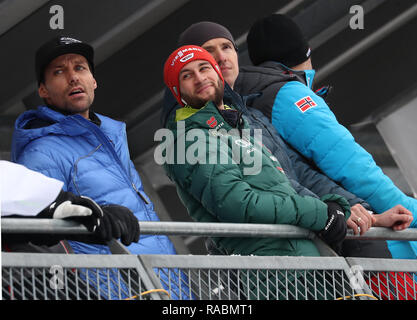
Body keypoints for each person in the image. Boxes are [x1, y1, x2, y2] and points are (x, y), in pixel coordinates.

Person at [161, 21, 413, 258]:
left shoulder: (248, 116)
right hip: (275, 265)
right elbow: (239, 202)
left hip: (310, 251)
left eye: (226, 47)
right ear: (177, 89)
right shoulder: (188, 136)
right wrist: (325, 214)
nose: (220, 58)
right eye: (189, 73)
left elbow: (294, 178)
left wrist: (356, 213)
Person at [10, 36, 187, 299]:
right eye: (59, 72)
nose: (73, 78)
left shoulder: (112, 133)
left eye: (80, 68)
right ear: (43, 91)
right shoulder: (41, 152)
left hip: (163, 283)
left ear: (93, 80)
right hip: (112, 290)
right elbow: (35, 228)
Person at [233, 13, 417, 259]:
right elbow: (352, 166)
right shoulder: (290, 95)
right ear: (304, 54)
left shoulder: (251, 102)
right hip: (371, 235)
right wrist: (410, 213)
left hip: (335, 238)